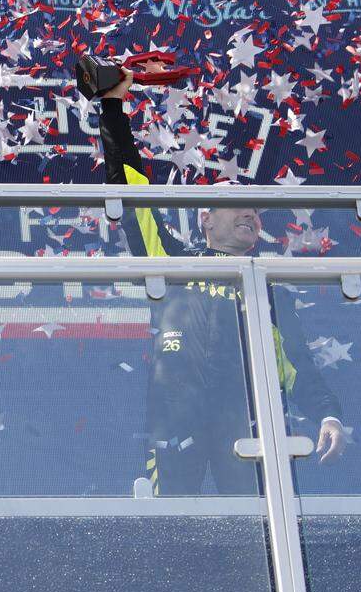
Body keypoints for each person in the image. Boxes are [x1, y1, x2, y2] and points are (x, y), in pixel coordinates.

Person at [99, 67, 346, 495]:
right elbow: (130, 189)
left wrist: (329, 416)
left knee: (261, 539)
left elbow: (297, 368)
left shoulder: (267, 286)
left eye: (255, 207)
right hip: (174, 421)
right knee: (174, 535)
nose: (251, 212)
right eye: (236, 203)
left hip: (247, 423)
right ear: (206, 218)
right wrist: (112, 107)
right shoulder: (172, 261)